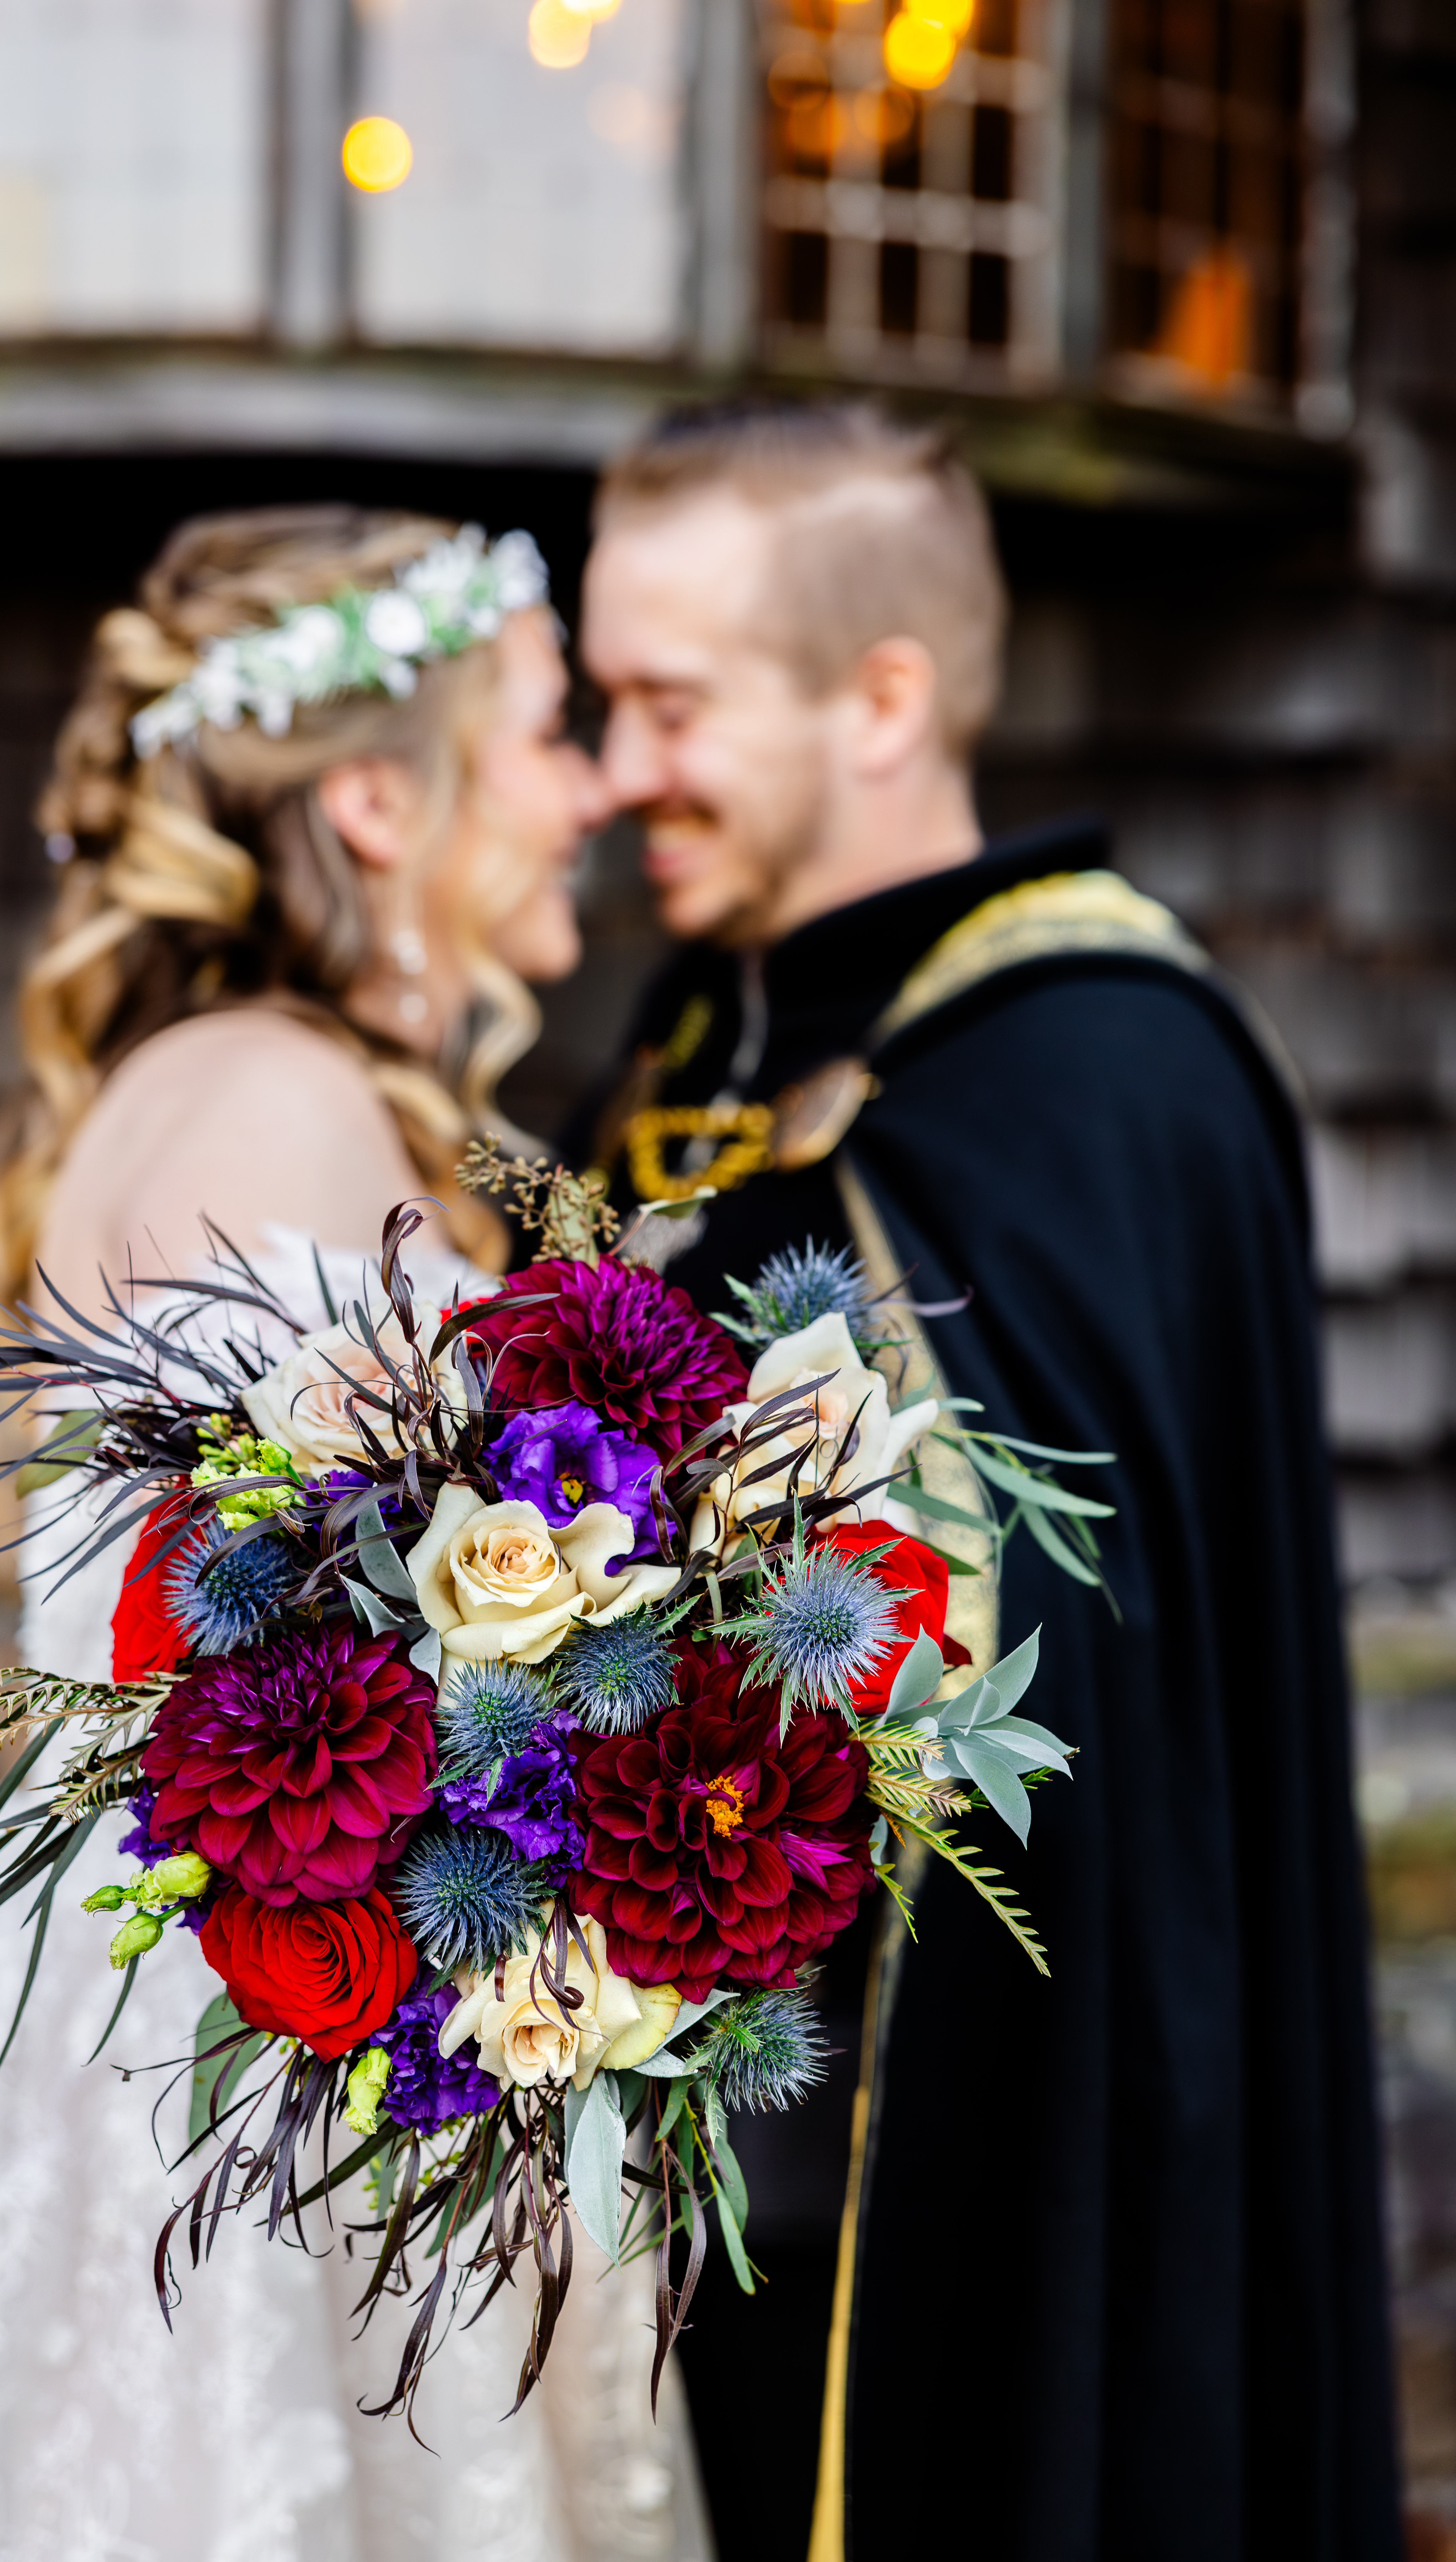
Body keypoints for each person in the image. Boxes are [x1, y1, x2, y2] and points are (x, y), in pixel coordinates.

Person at [0, 506, 712, 2562]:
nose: (594, 791)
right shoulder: (278, 1110)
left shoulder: (268, 1087)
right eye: (545, 734)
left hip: (267, 1989)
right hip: (252, 2042)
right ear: (378, 802)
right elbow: (342, 1656)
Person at [572, 400, 1403, 2562]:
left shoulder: (1100, 1063)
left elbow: (1063, 1686)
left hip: (1003, 2121)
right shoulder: (695, 1037)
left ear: (882, 697)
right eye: (598, 701)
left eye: (668, 703)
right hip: (673, 2132)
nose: (613, 770)